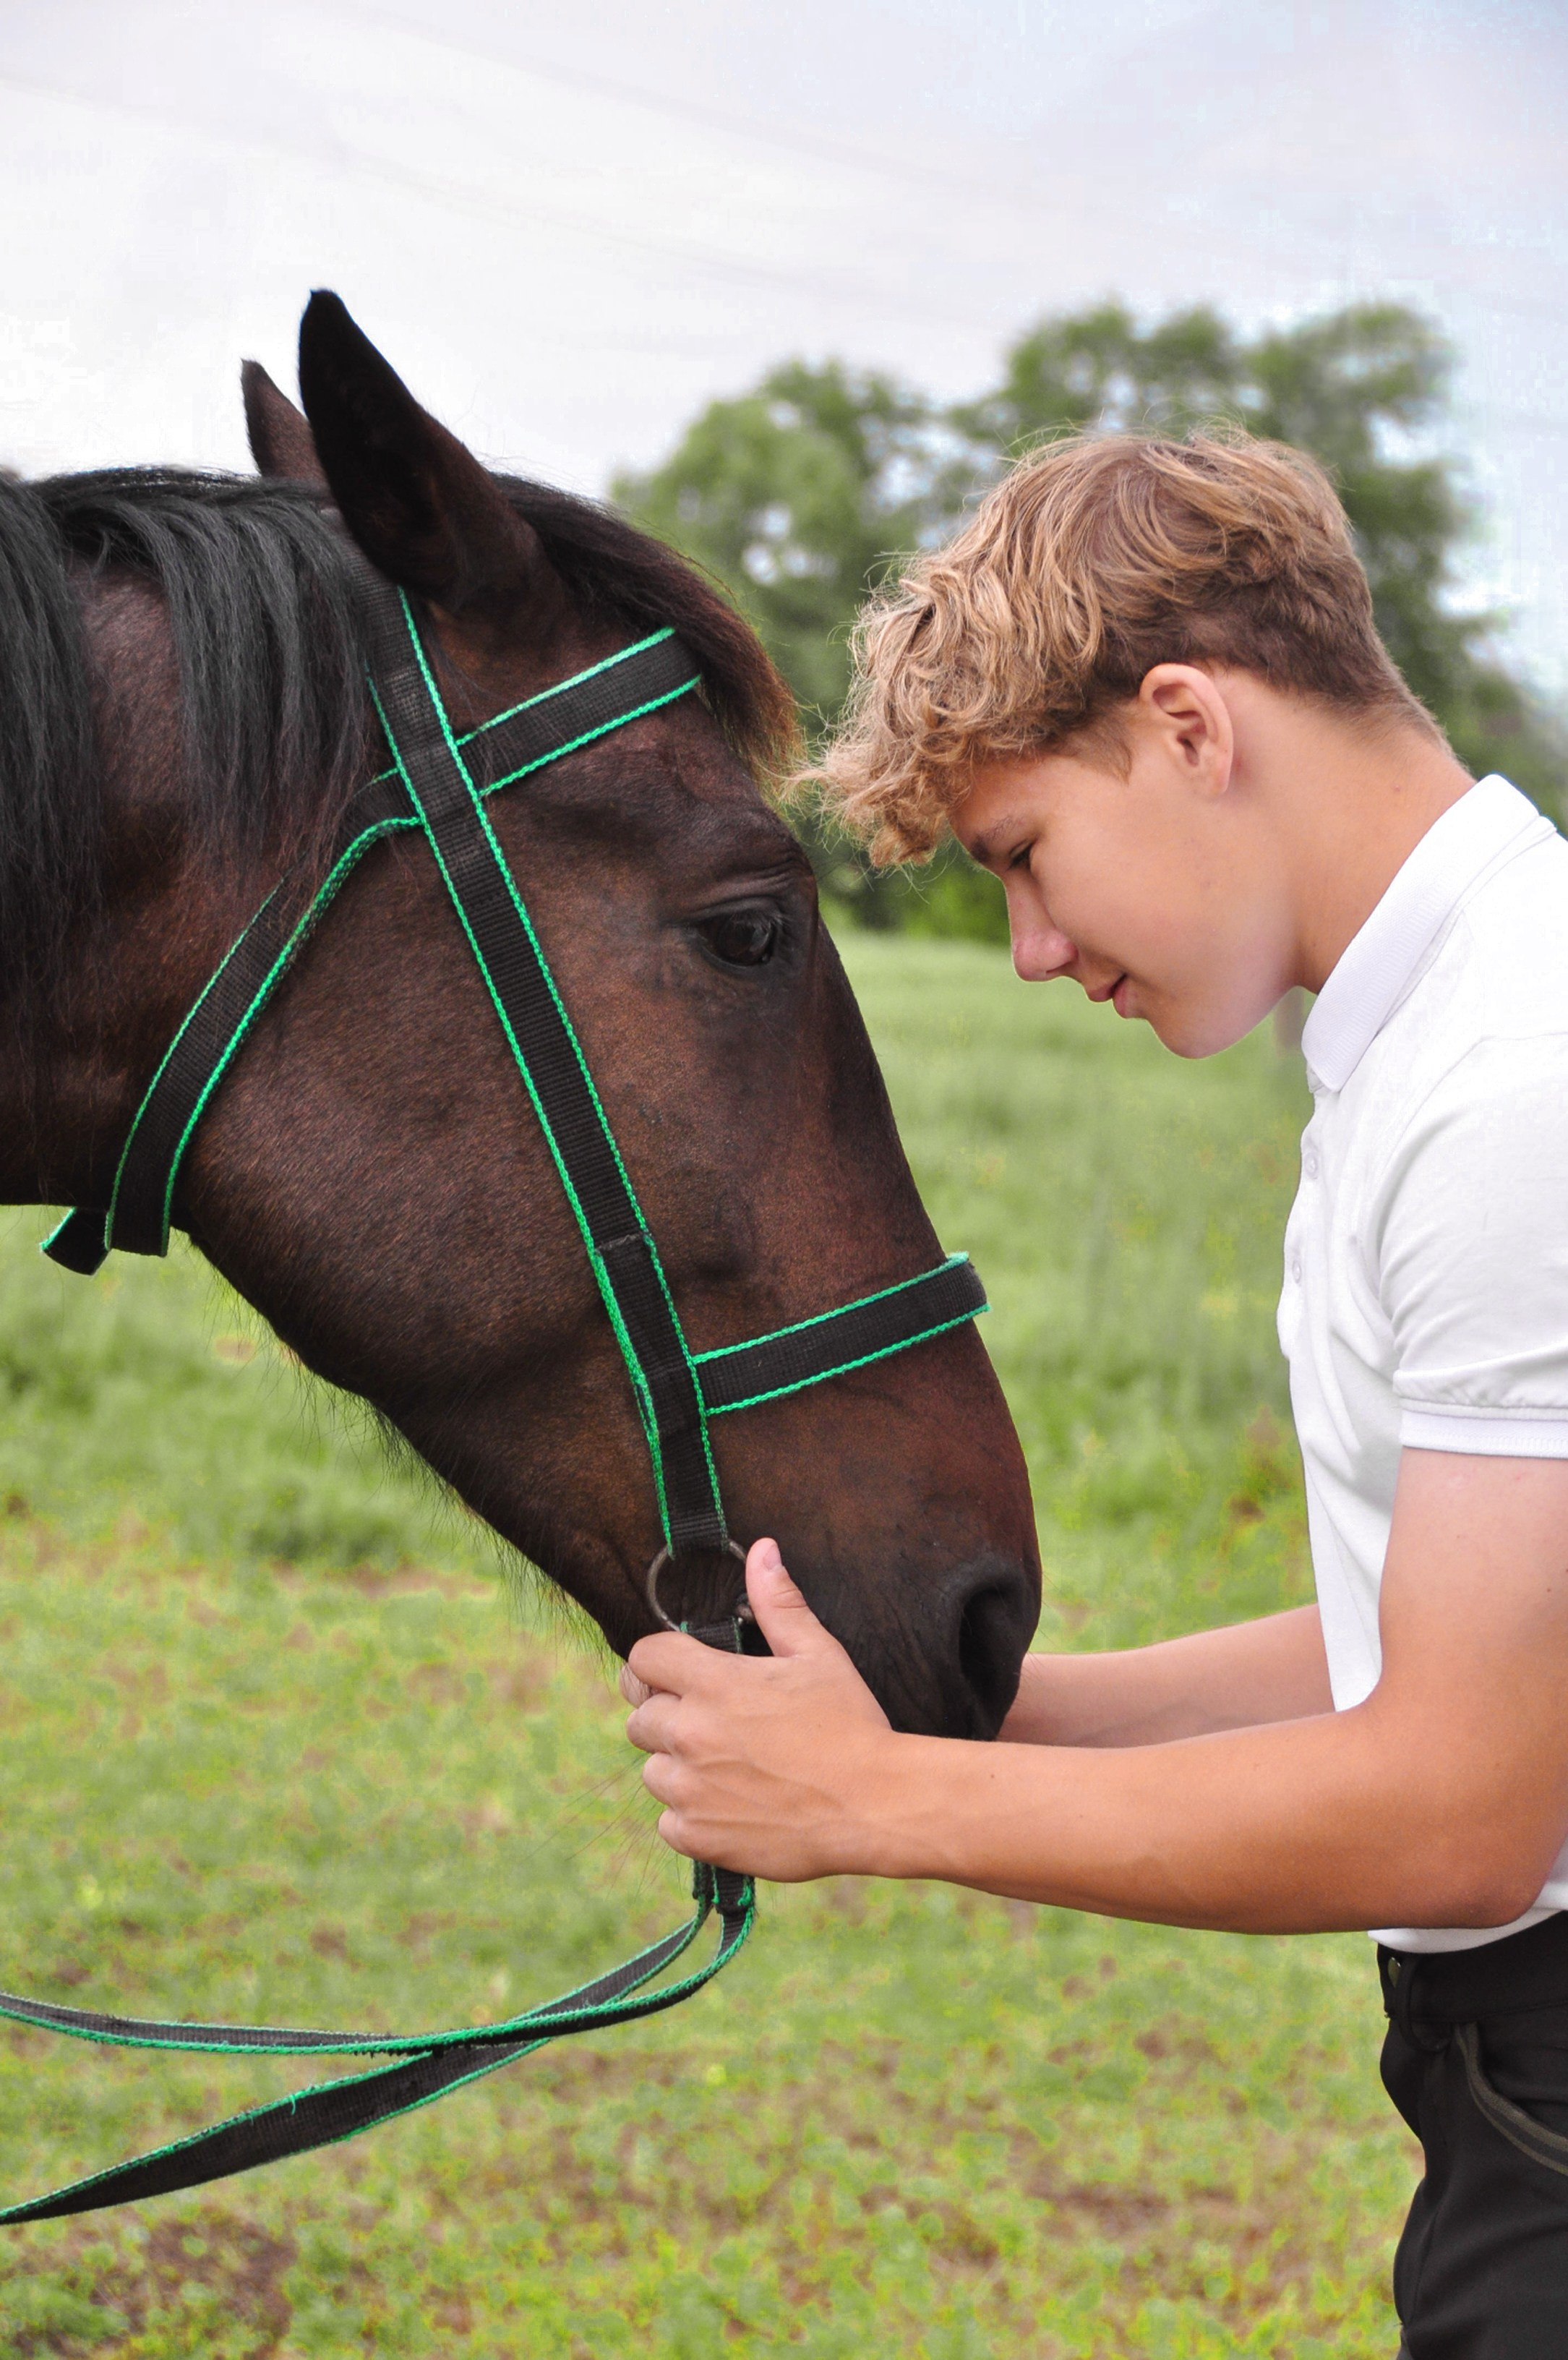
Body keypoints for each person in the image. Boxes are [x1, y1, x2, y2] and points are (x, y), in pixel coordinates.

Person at [621, 430, 1568, 2357]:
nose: (1038, 952)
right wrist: (1002, 1721)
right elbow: (1452, 1647)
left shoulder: (1507, 1092)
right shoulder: (1448, 1035)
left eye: (1023, 859)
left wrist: (880, 1801)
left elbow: (1466, 1804)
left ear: (1190, 727)